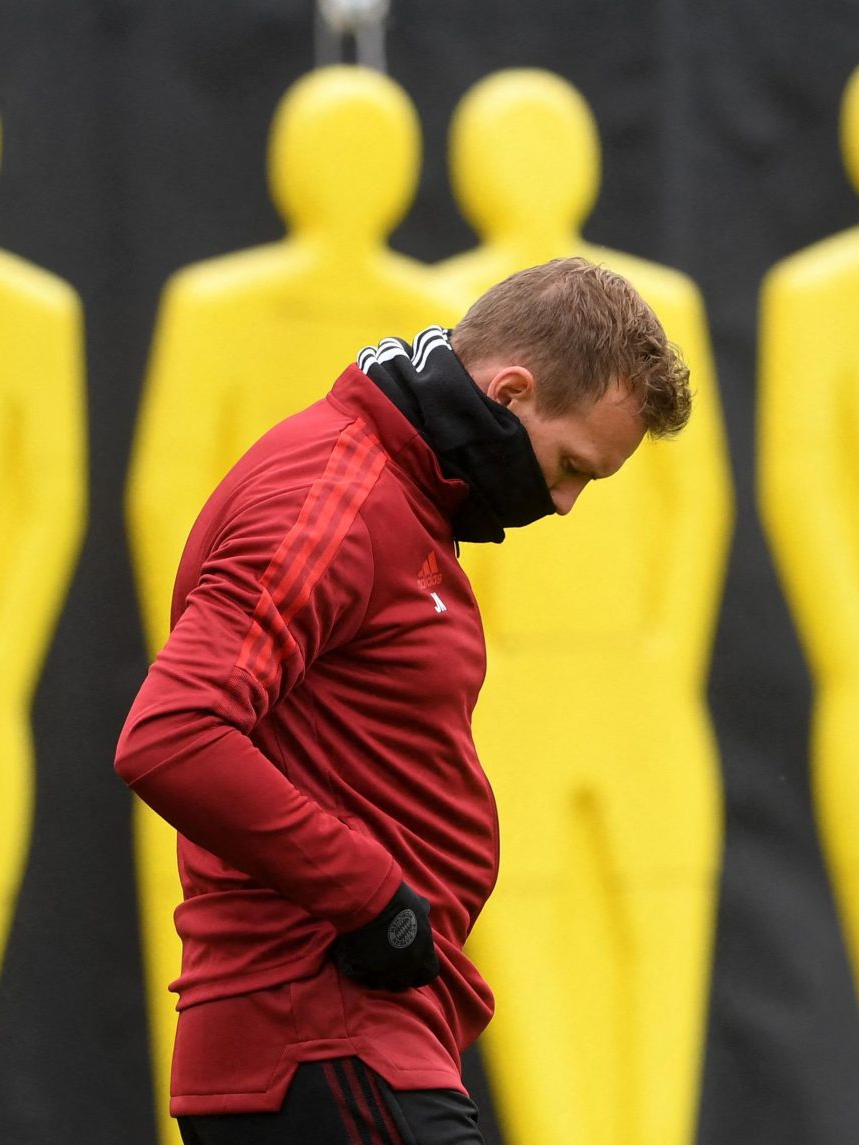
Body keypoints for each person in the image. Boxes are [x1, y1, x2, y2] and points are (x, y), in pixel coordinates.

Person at [114, 256, 694, 1145]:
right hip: (323, 1029)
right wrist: (374, 895)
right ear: (509, 391)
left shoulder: (399, 491)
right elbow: (172, 734)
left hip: (354, 1032)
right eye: (572, 465)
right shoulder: (338, 491)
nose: (568, 503)